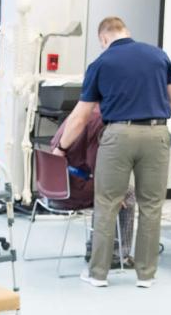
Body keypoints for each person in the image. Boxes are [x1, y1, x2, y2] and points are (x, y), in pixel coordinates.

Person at [57, 17, 171, 289]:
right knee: (151, 206)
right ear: (127, 31)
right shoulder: (159, 55)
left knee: (107, 203)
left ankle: (98, 274)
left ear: (103, 38)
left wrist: (61, 147)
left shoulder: (101, 63)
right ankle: (146, 275)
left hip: (118, 135)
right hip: (156, 134)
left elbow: (80, 117)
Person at [47, 102, 134, 268]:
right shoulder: (101, 120)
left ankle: (93, 249)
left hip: (54, 184)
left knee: (104, 187)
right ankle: (118, 255)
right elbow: (99, 168)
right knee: (127, 193)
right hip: (72, 190)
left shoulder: (80, 112)